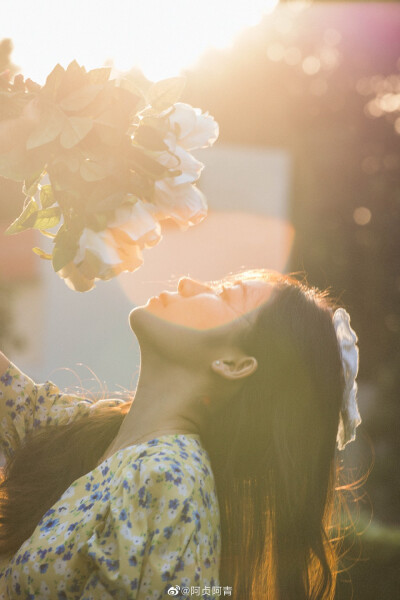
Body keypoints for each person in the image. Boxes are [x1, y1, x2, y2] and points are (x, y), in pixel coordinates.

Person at [0, 269, 361, 600]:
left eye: (225, 295)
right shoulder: (94, 431)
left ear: (233, 364)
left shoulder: (170, 481)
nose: (189, 282)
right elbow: (15, 400)